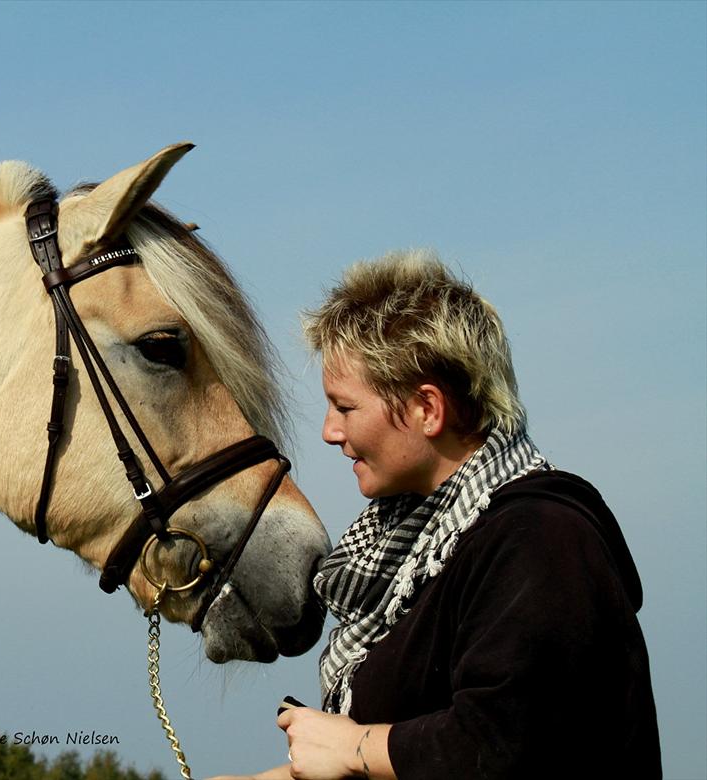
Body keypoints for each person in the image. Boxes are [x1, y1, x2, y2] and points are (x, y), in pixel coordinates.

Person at [211, 250, 660, 779]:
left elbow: (507, 743)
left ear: (427, 409)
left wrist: (354, 748)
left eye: (346, 407)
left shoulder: (540, 537)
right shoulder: (423, 554)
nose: (330, 431)